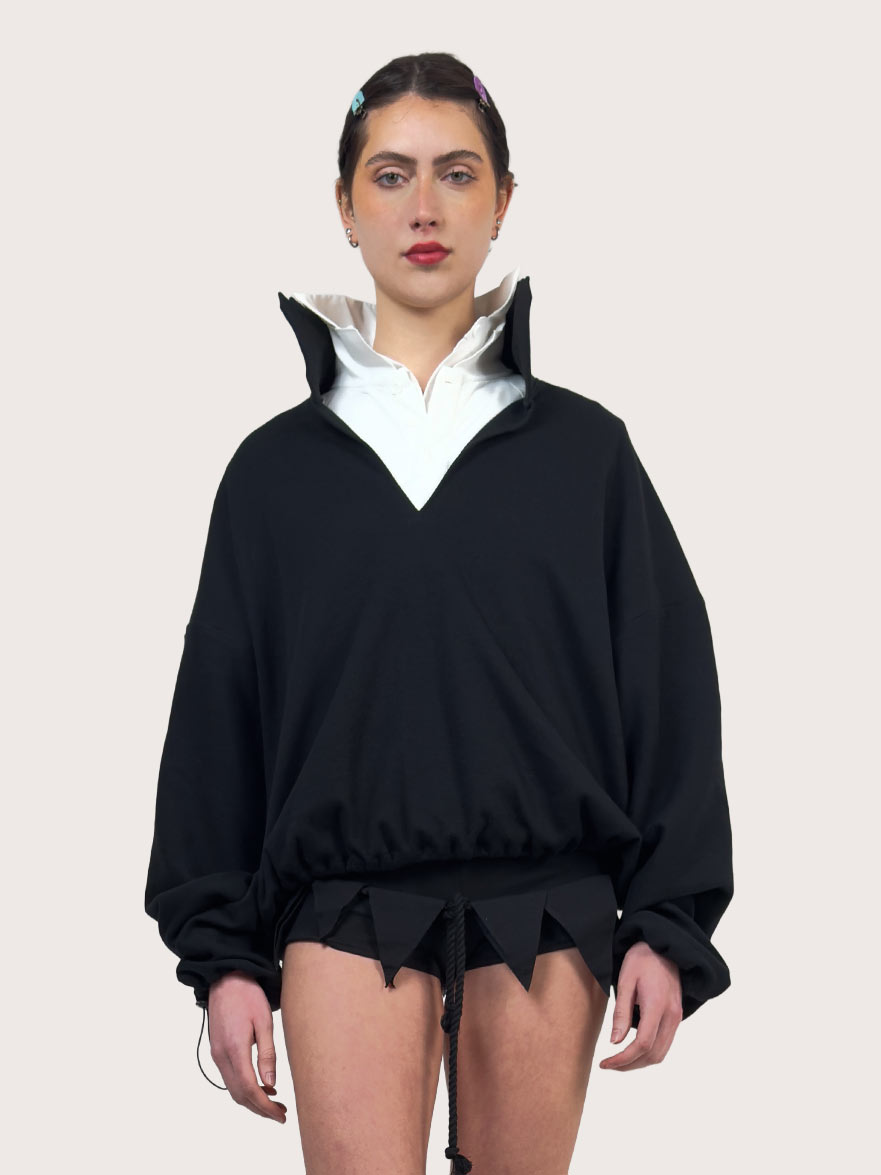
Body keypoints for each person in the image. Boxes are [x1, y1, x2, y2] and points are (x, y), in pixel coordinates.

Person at [144, 51, 734, 1175]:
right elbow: (217, 720)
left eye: (457, 174)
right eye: (391, 175)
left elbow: (667, 687)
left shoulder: (587, 454)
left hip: (549, 914)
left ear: (502, 200)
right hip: (340, 909)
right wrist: (223, 957)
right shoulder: (273, 473)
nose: (424, 207)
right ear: (345, 206)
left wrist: (666, 922)